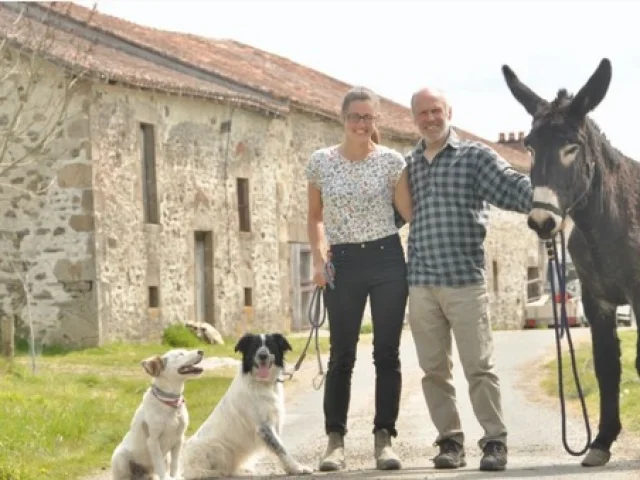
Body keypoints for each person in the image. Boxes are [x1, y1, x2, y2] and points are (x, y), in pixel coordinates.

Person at [405, 87, 532, 472]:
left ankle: (494, 441)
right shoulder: (407, 164)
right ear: (414, 119)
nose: (430, 118)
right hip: (421, 282)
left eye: (435, 110)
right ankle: (450, 442)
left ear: (449, 111)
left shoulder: (474, 157)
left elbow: (513, 188)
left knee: (478, 366)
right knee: (433, 371)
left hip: (464, 280)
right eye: (422, 113)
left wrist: (549, 197)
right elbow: (390, 213)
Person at [305, 86, 412, 472]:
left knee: (387, 353)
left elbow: (408, 213)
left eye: (368, 117)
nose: (361, 124)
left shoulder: (391, 162)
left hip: (387, 260)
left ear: (376, 121)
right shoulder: (320, 162)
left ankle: (384, 439)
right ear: (343, 118)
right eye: (355, 116)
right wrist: (319, 259)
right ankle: (335, 441)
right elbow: (315, 217)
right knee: (341, 356)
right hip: (343, 262)